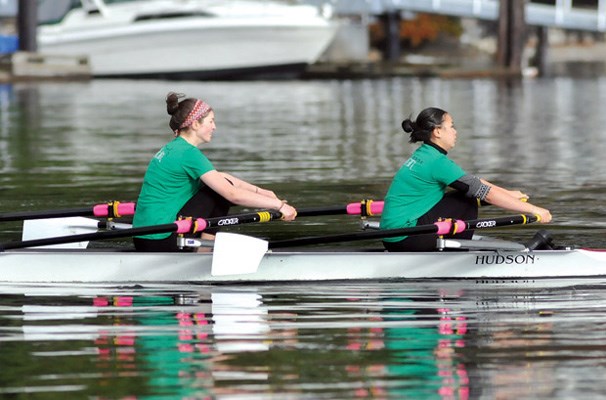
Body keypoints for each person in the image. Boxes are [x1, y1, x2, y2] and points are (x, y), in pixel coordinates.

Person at [132, 92, 297, 252]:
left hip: (142, 236)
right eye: (211, 121)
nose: (214, 127)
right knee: (219, 193)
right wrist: (280, 206)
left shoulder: (172, 148)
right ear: (196, 124)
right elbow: (233, 194)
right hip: (162, 239)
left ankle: (203, 248)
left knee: (220, 185)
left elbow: (222, 178)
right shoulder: (188, 154)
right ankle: (203, 251)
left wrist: (262, 192)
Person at [380, 107, 552, 252]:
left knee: (466, 194)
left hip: (392, 234)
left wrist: (507, 193)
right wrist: (533, 210)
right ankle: (458, 256)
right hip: (405, 237)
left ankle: (452, 249)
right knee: (467, 200)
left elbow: (474, 182)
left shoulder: (424, 155)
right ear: (437, 131)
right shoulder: (437, 162)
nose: (455, 131)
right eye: (451, 126)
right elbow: (485, 194)